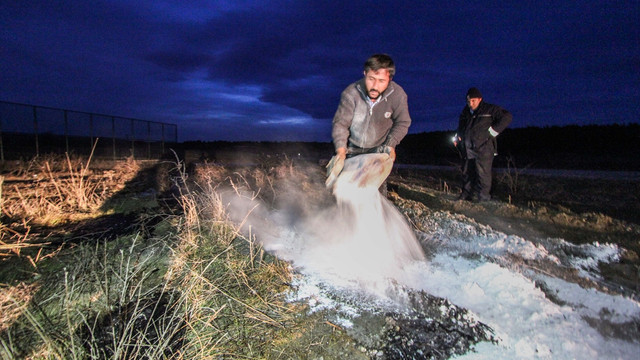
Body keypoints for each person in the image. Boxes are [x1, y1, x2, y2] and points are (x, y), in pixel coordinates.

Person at [329, 54, 412, 194]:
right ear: (364, 74)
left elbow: (403, 122)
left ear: (389, 79)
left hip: (377, 152)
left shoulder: (398, 95)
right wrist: (341, 150)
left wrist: (390, 145)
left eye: (381, 81)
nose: (375, 86)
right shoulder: (351, 93)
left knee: (375, 195)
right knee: (341, 192)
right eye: (371, 79)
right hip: (350, 151)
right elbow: (341, 124)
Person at [453, 87, 512, 202]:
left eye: (473, 101)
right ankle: (466, 195)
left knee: (483, 174)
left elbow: (507, 117)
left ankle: (484, 199)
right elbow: (461, 127)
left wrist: (493, 131)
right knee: (467, 173)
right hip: (467, 148)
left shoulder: (489, 109)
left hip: (484, 148)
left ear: (480, 99)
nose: (470, 103)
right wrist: (457, 137)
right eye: (468, 101)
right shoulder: (465, 112)